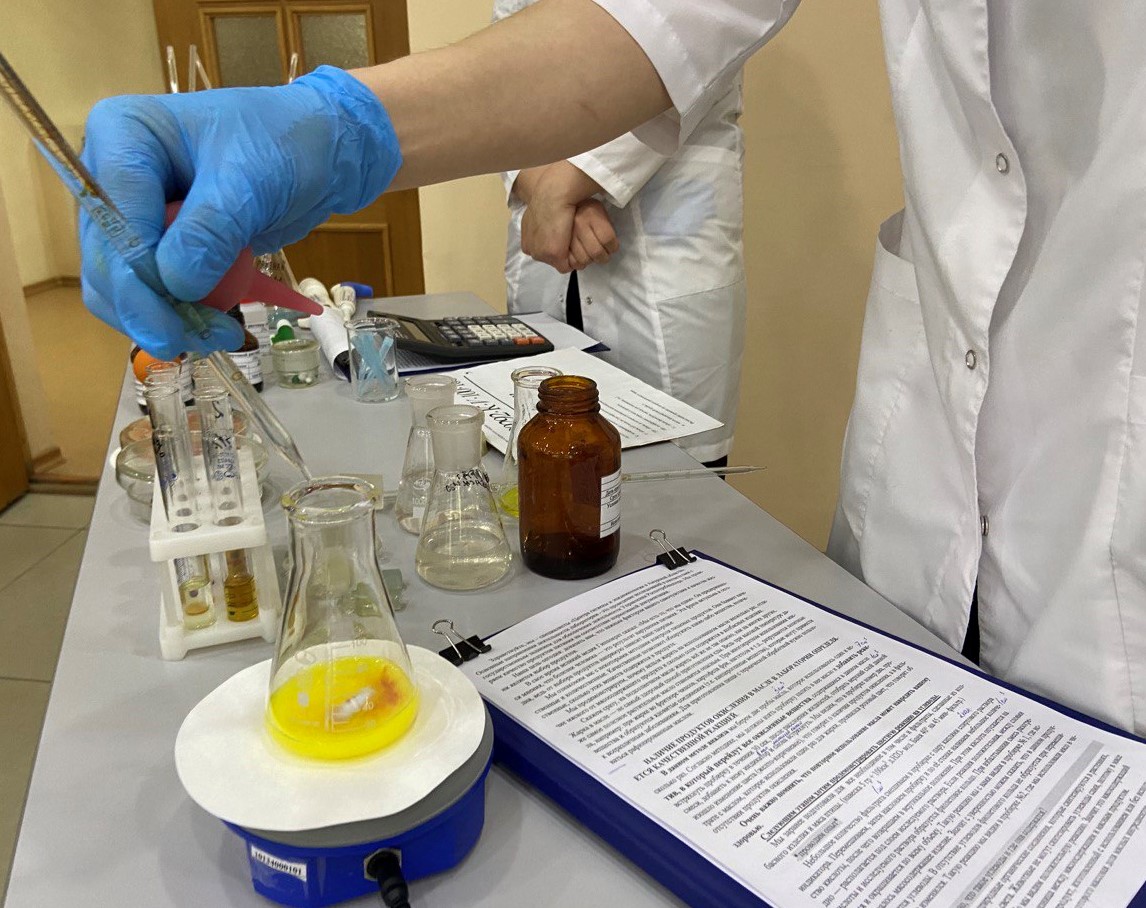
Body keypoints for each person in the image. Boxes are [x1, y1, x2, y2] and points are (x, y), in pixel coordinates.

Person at [78, 0, 1146, 737]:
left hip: (1106, 467)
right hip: (933, 473)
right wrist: (334, 123)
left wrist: (576, 173)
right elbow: (660, 17)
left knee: (663, 471)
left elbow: (696, 65)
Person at [493, 0, 747, 466]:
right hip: (552, 251)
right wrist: (545, 188)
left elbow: (693, 51)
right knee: (549, 460)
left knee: (675, 481)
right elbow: (504, 82)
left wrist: (567, 185)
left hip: (666, 238)